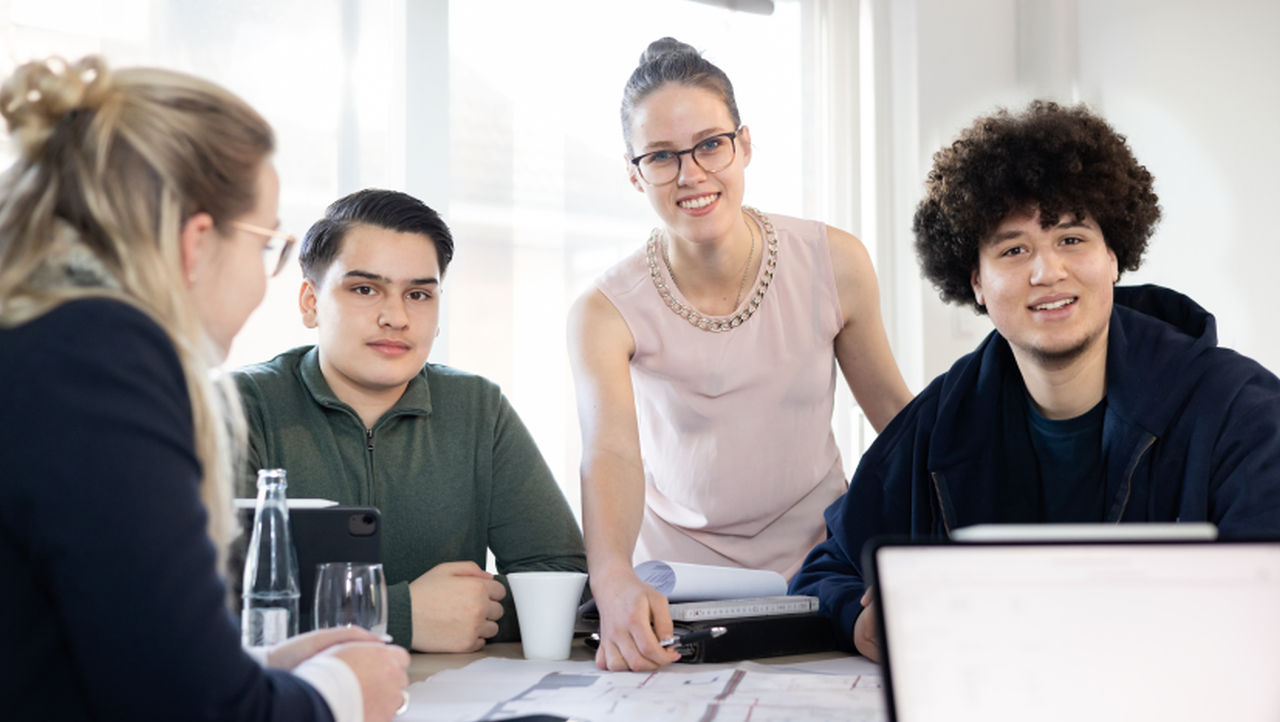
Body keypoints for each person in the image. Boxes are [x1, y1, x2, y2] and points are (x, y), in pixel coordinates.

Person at [789, 100, 1280, 662]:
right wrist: (857, 619)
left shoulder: (1243, 413)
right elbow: (827, 572)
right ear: (975, 281)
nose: (1048, 272)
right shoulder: (939, 422)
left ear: (1115, 256)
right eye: (1015, 249)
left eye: (1071, 239)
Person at [0, 56, 410, 720]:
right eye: (266, 247)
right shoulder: (101, 359)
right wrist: (340, 693)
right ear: (196, 242)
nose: (260, 281)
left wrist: (250, 670)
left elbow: (107, 660)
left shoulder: (44, 342)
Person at [569, 37, 913, 672]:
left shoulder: (836, 261)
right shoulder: (602, 309)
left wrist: (943, 546)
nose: (691, 174)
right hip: (683, 589)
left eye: (710, 144)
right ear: (634, 171)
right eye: (662, 157)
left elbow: (896, 416)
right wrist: (612, 577)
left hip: (824, 573)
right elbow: (609, 452)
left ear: (744, 144)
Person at [232, 188, 588, 654]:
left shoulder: (478, 408)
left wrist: (467, 615)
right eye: (364, 289)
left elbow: (562, 581)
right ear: (309, 301)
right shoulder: (241, 407)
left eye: (418, 294)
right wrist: (396, 615)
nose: (396, 317)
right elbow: (204, 600)